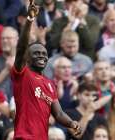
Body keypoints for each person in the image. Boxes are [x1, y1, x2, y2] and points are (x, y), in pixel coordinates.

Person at [11, 1, 81, 139]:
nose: (41, 56)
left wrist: (71, 123)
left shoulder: (49, 84)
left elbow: (59, 114)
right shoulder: (23, 74)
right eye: (36, 53)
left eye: (44, 54)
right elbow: (21, 48)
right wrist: (30, 20)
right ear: (27, 58)